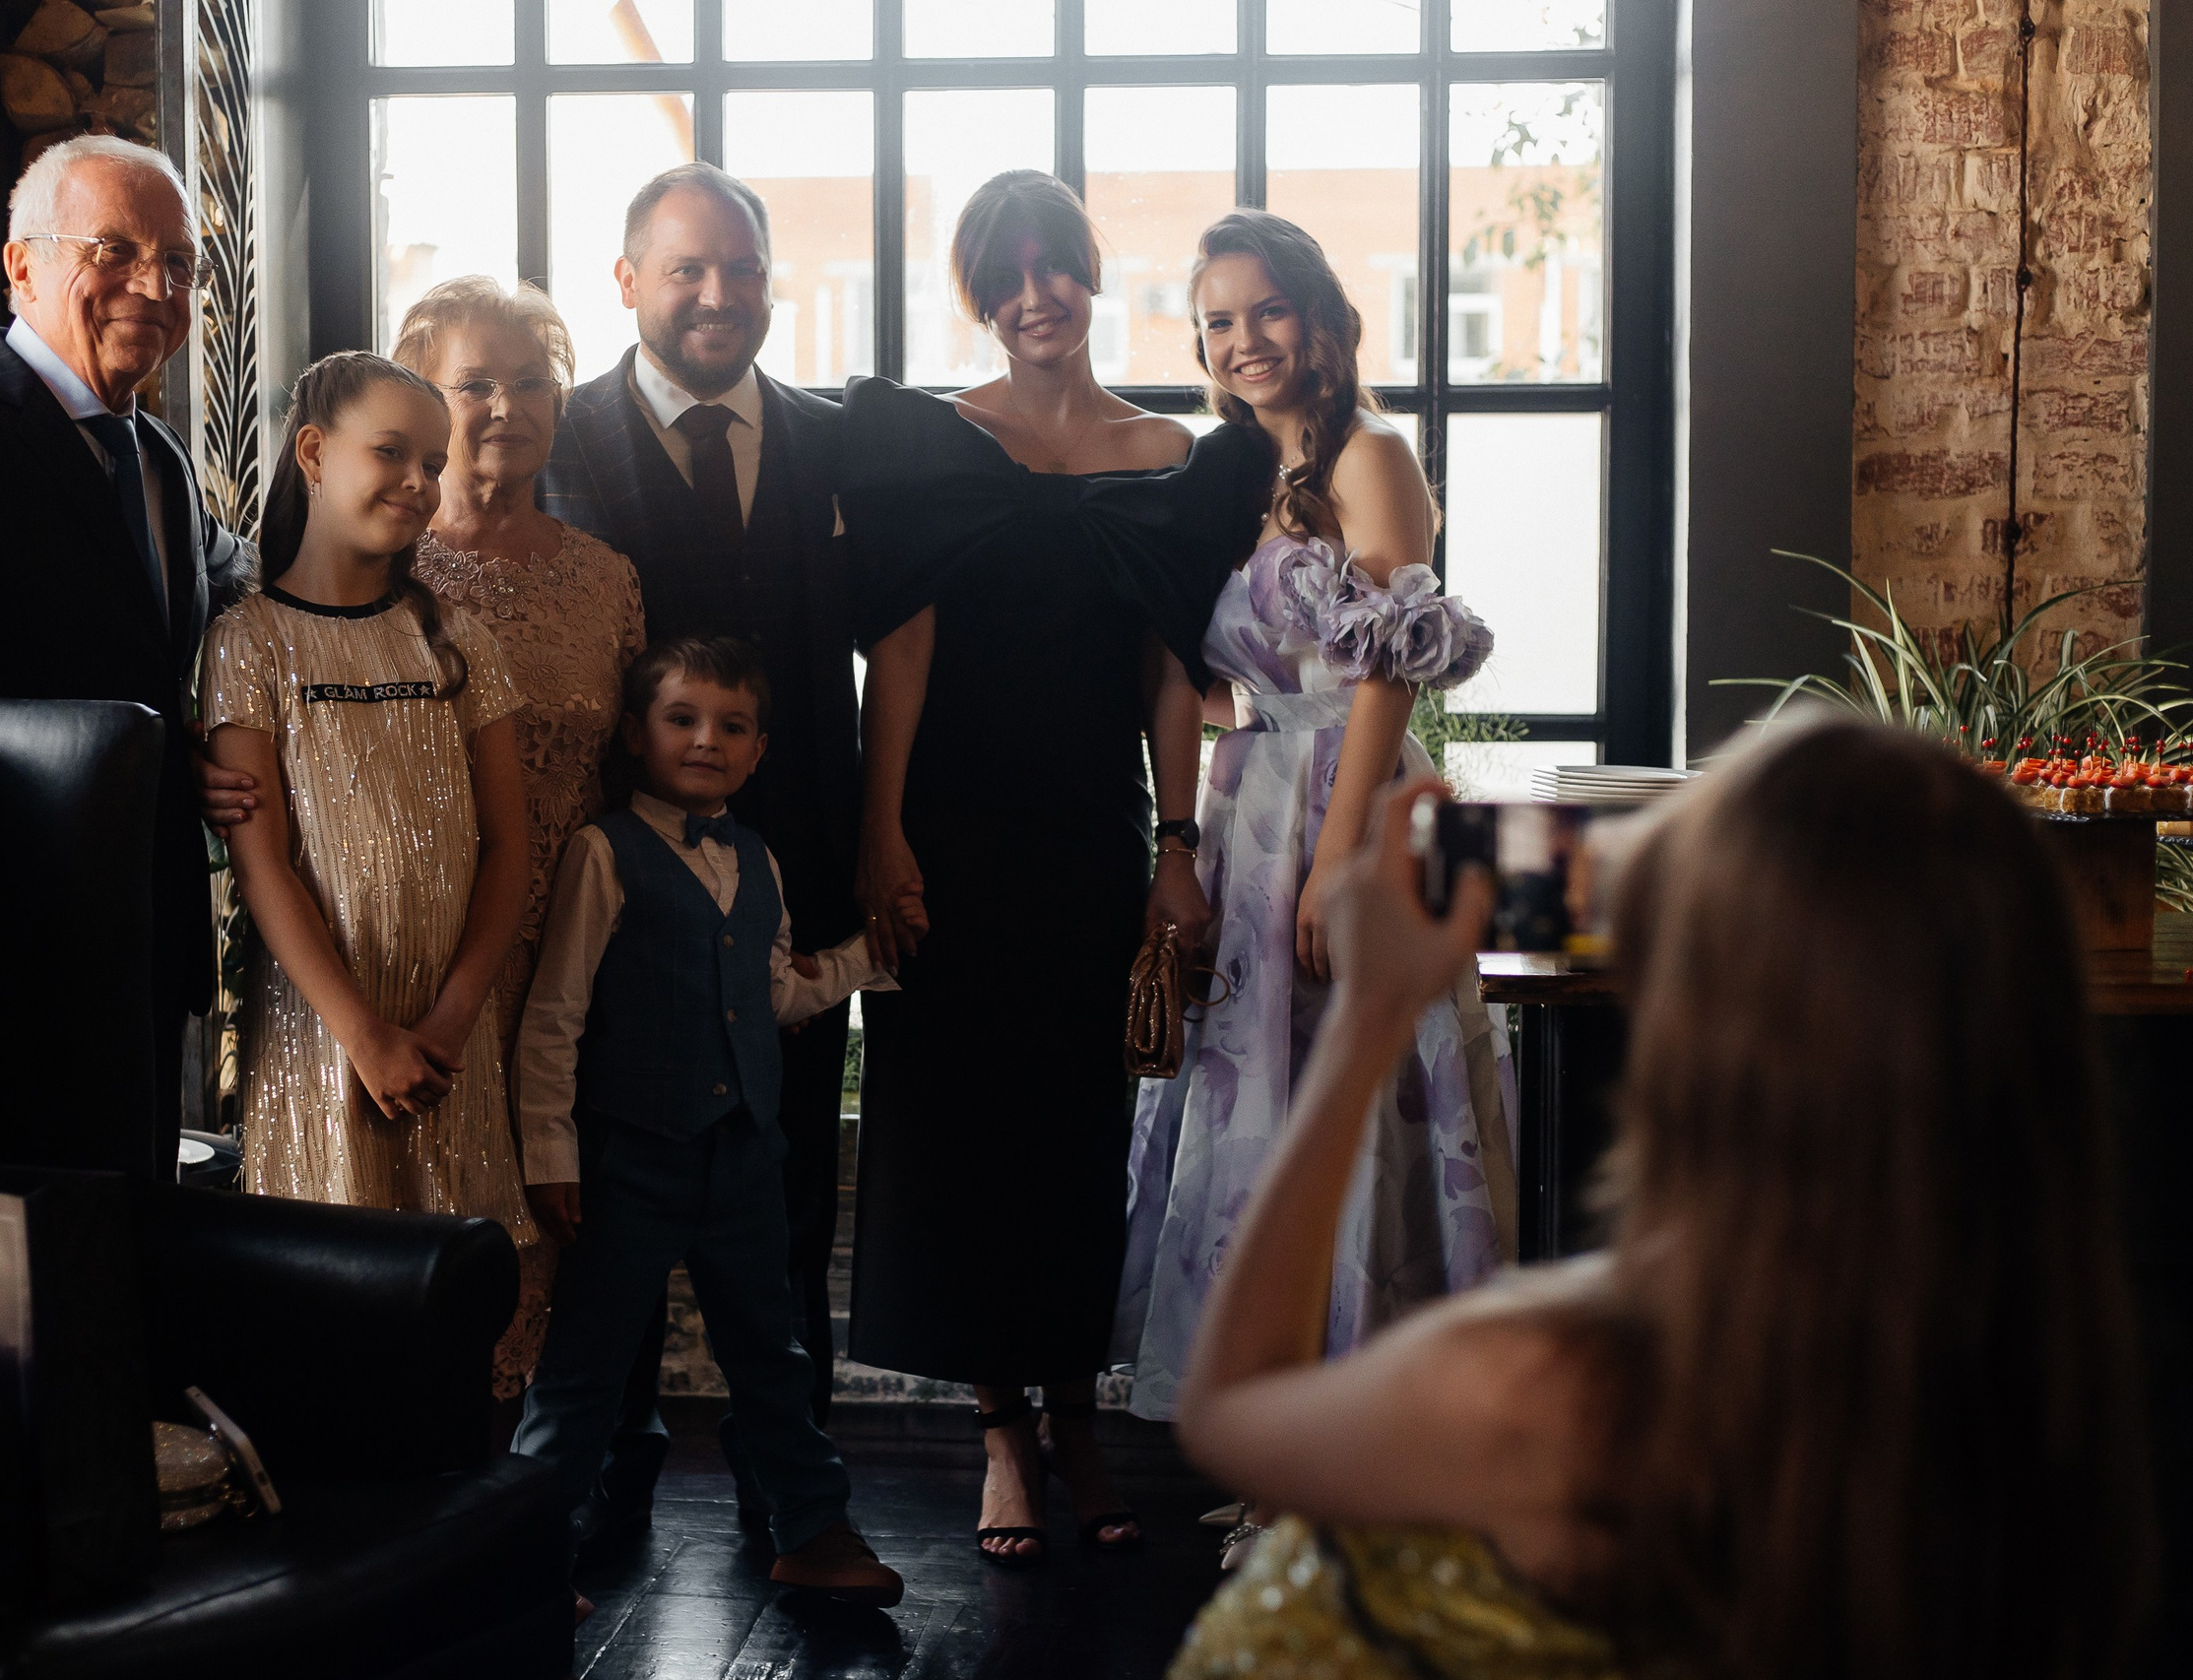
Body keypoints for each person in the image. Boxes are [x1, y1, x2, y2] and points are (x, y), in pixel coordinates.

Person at [1170, 723, 2154, 1680]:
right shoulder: (2051, 1418)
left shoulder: (1546, 1388)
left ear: (1704, 1039)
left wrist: (1365, 1017)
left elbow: (1228, 1411)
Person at [839, 171, 1269, 1566]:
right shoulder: (931, 442)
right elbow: (896, 653)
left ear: (1091, 277)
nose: (1036, 297)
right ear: (980, 293)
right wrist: (881, 827)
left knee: (1080, 1140)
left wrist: (1178, 845)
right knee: (962, 1132)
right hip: (951, 833)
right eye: (1006, 276)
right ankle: (1003, 1435)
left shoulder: (1166, 456)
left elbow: (1169, 678)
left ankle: (1080, 1417)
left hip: (1090, 836)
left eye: (1056, 269)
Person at [1114, 211, 1513, 1566]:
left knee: (1362, 1125)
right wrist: (1199, 836)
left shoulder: (1372, 456)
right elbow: (1199, 671)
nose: (1245, 340)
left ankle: (1356, 1466)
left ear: (1322, 317)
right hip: (1250, 804)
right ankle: (1285, 1451)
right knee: (1261, 1127)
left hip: (1347, 808)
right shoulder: (1235, 474)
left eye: (1266, 309)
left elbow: (1389, 672)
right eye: (1219, 320)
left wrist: (1341, 859)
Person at [538, 161, 857, 1544]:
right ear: (627, 283)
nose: (716, 294)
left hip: (794, 867)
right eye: (686, 268)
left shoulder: (833, 437)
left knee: (784, 1204)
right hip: (618, 889)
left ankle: (797, 1499)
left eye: (739, 269)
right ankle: (605, 1488)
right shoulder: (555, 437)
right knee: (612, 1220)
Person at [0, 133, 255, 1179]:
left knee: (131, 1288)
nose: (153, 287)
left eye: (179, 263)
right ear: (21, 265)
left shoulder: (157, 457)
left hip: (144, 955)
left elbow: (160, 653)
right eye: (113, 249)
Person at [512, 636, 901, 1607]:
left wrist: (868, 956)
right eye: (682, 718)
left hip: (743, 1162)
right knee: (584, 1368)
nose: (705, 740)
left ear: (761, 749)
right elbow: (555, 1012)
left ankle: (811, 1525)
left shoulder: (758, 859)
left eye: (731, 725)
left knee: (773, 1355)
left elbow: (771, 990)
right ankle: (521, 1557)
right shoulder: (605, 852)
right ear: (638, 735)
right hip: (628, 1158)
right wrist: (552, 1151)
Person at [201, 353, 536, 1263]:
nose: (420, 483)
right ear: (314, 452)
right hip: (325, 1037)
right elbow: (261, 861)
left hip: (444, 1042)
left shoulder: (455, 641)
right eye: (392, 453)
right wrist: (364, 1036)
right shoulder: (248, 641)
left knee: (453, 1310)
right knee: (332, 1304)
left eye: (434, 463)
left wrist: (450, 1021)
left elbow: (511, 846)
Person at [390, 276, 647, 1401]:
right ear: (424, 400)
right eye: (476, 383)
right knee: (430, 1207)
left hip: (571, 945)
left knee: (554, 1207)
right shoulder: (380, 569)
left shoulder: (607, 578)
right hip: (425, 938)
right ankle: (431, 1488)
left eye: (532, 381)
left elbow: (634, 769)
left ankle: (539, 1502)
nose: (507, 405)